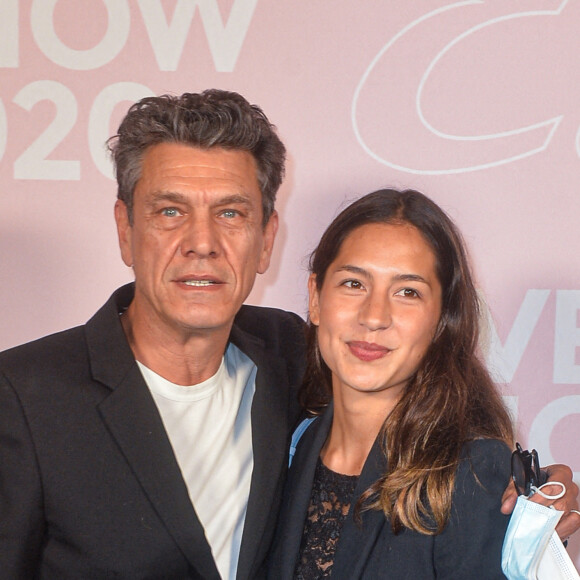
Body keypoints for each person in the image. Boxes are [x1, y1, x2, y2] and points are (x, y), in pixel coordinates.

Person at [0, 92, 577, 580]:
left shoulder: (283, 356)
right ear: (126, 230)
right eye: (170, 211)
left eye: (231, 214)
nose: (202, 242)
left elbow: (428, 431)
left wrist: (531, 503)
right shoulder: (24, 396)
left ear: (266, 238)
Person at [268, 189, 578, 579]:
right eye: (353, 284)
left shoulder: (473, 473)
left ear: (441, 321)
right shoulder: (284, 445)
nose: (374, 316)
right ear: (315, 298)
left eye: (407, 292)